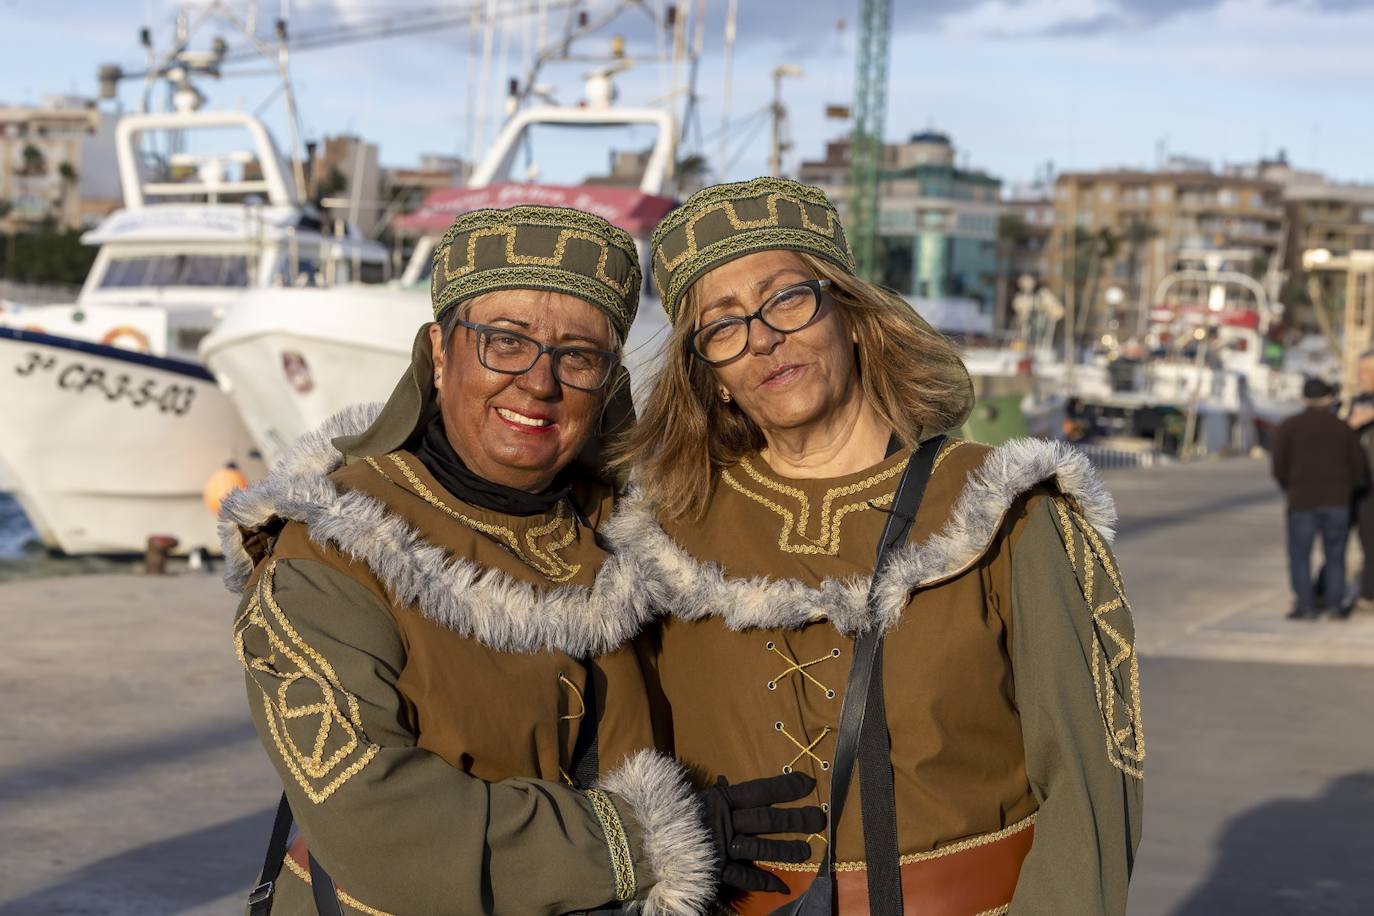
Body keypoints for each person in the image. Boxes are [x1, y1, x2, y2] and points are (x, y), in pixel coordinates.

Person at [220, 205, 817, 915]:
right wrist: (652, 841)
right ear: (441, 354)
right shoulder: (329, 551)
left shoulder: (643, 537)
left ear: (609, 384)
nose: (539, 382)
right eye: (505, 342)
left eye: (579, 356)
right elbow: (381, 833)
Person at [608, 177, 1145, 913]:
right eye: (723, 326)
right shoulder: (661, 535)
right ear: (715, 379)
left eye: (787, 298)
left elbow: (1090, 795)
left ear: (855, 318)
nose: (763, 337)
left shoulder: (1008, 511)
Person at [1272, 376, 1366, 620]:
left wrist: (1291, 487)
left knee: (1299, 555)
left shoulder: (1289, 426)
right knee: (1335, 556)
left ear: (1303, 399)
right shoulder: (1343, 428)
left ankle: (1305, 606)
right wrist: (1346, 490)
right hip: (1337, 501)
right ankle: (1335, 606)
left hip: (1301, 499)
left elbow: (1278, 466)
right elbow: (1358, 468)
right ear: (1329, 399)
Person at [1349, 352, 1374, 616]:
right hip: (1358, 484)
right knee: (1362, 539)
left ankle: (1369, 593)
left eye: (1366, 372)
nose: (1360, 377)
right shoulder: (1358, 402)